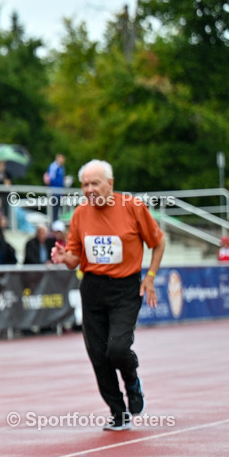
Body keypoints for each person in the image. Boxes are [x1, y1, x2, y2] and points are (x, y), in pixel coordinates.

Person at [51, 159, 166, 431]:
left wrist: (150, 278)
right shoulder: (80, 214)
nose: (89, 189)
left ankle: (133, 382)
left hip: (125, 288)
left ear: (110, 184)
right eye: (85, 184)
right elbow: (74, 259)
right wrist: (62, 257)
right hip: (92, 288)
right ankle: (118, 411)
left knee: (117, 348)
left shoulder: (133, 207)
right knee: (98, 356)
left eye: (95, 183)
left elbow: (158, 243)